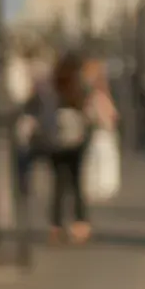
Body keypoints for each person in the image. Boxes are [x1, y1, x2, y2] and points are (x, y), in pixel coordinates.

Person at [48, 53, 91, 245]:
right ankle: (79, 224)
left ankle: (56, 226)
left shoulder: (54, 87)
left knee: (58, 183)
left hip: (56, 141)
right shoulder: (78, 88)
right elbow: (87, 112)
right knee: (76, 183)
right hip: (76, 141)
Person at [83, 60, 121, 203]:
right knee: (100, 159)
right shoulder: (98, 96)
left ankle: (103, 186)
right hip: (102, 131)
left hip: (103, 131)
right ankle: (101, 186)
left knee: (101, 159)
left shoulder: (98, 96)